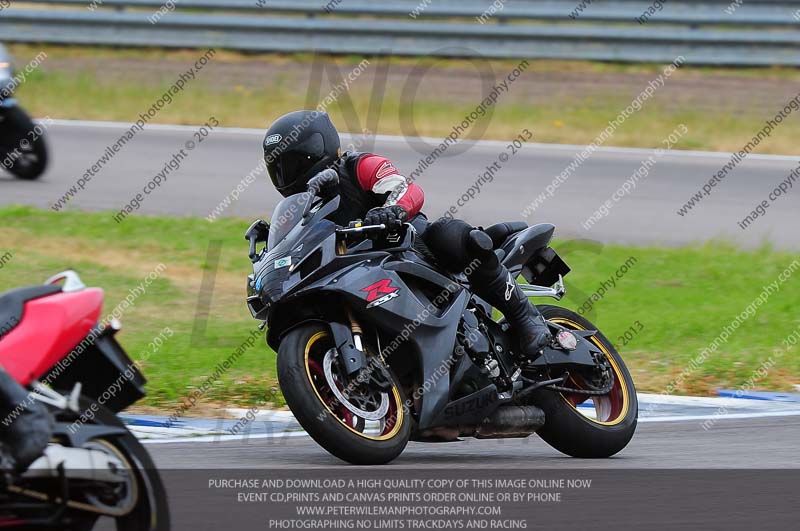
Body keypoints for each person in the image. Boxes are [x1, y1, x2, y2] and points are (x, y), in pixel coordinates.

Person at [262, 110, 551, 359]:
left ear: (317, 148)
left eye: (292, 163)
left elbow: (406, 189)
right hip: (359, 272)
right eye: (278, 168)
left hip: (410, 246)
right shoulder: (303, 208)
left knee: (449, 235)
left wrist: (393, 210)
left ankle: (525, 317)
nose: (285, 175)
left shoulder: (358, 166)